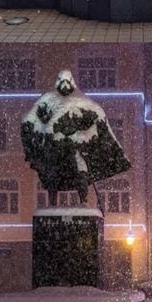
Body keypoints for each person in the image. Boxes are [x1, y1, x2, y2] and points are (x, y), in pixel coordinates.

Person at [21, 70, 130, 207]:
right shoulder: (48, 99)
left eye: (67, 80)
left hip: (75, 147)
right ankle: (53, 204)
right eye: (62, 80)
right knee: (52, 174)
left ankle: (83, 203)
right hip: (56, 148)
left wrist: (86, 136)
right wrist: (41, 130)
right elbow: (29, 120)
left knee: (81, 172)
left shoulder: (81, 101)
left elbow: (99, 117)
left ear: (72, 82)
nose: (65, 84)